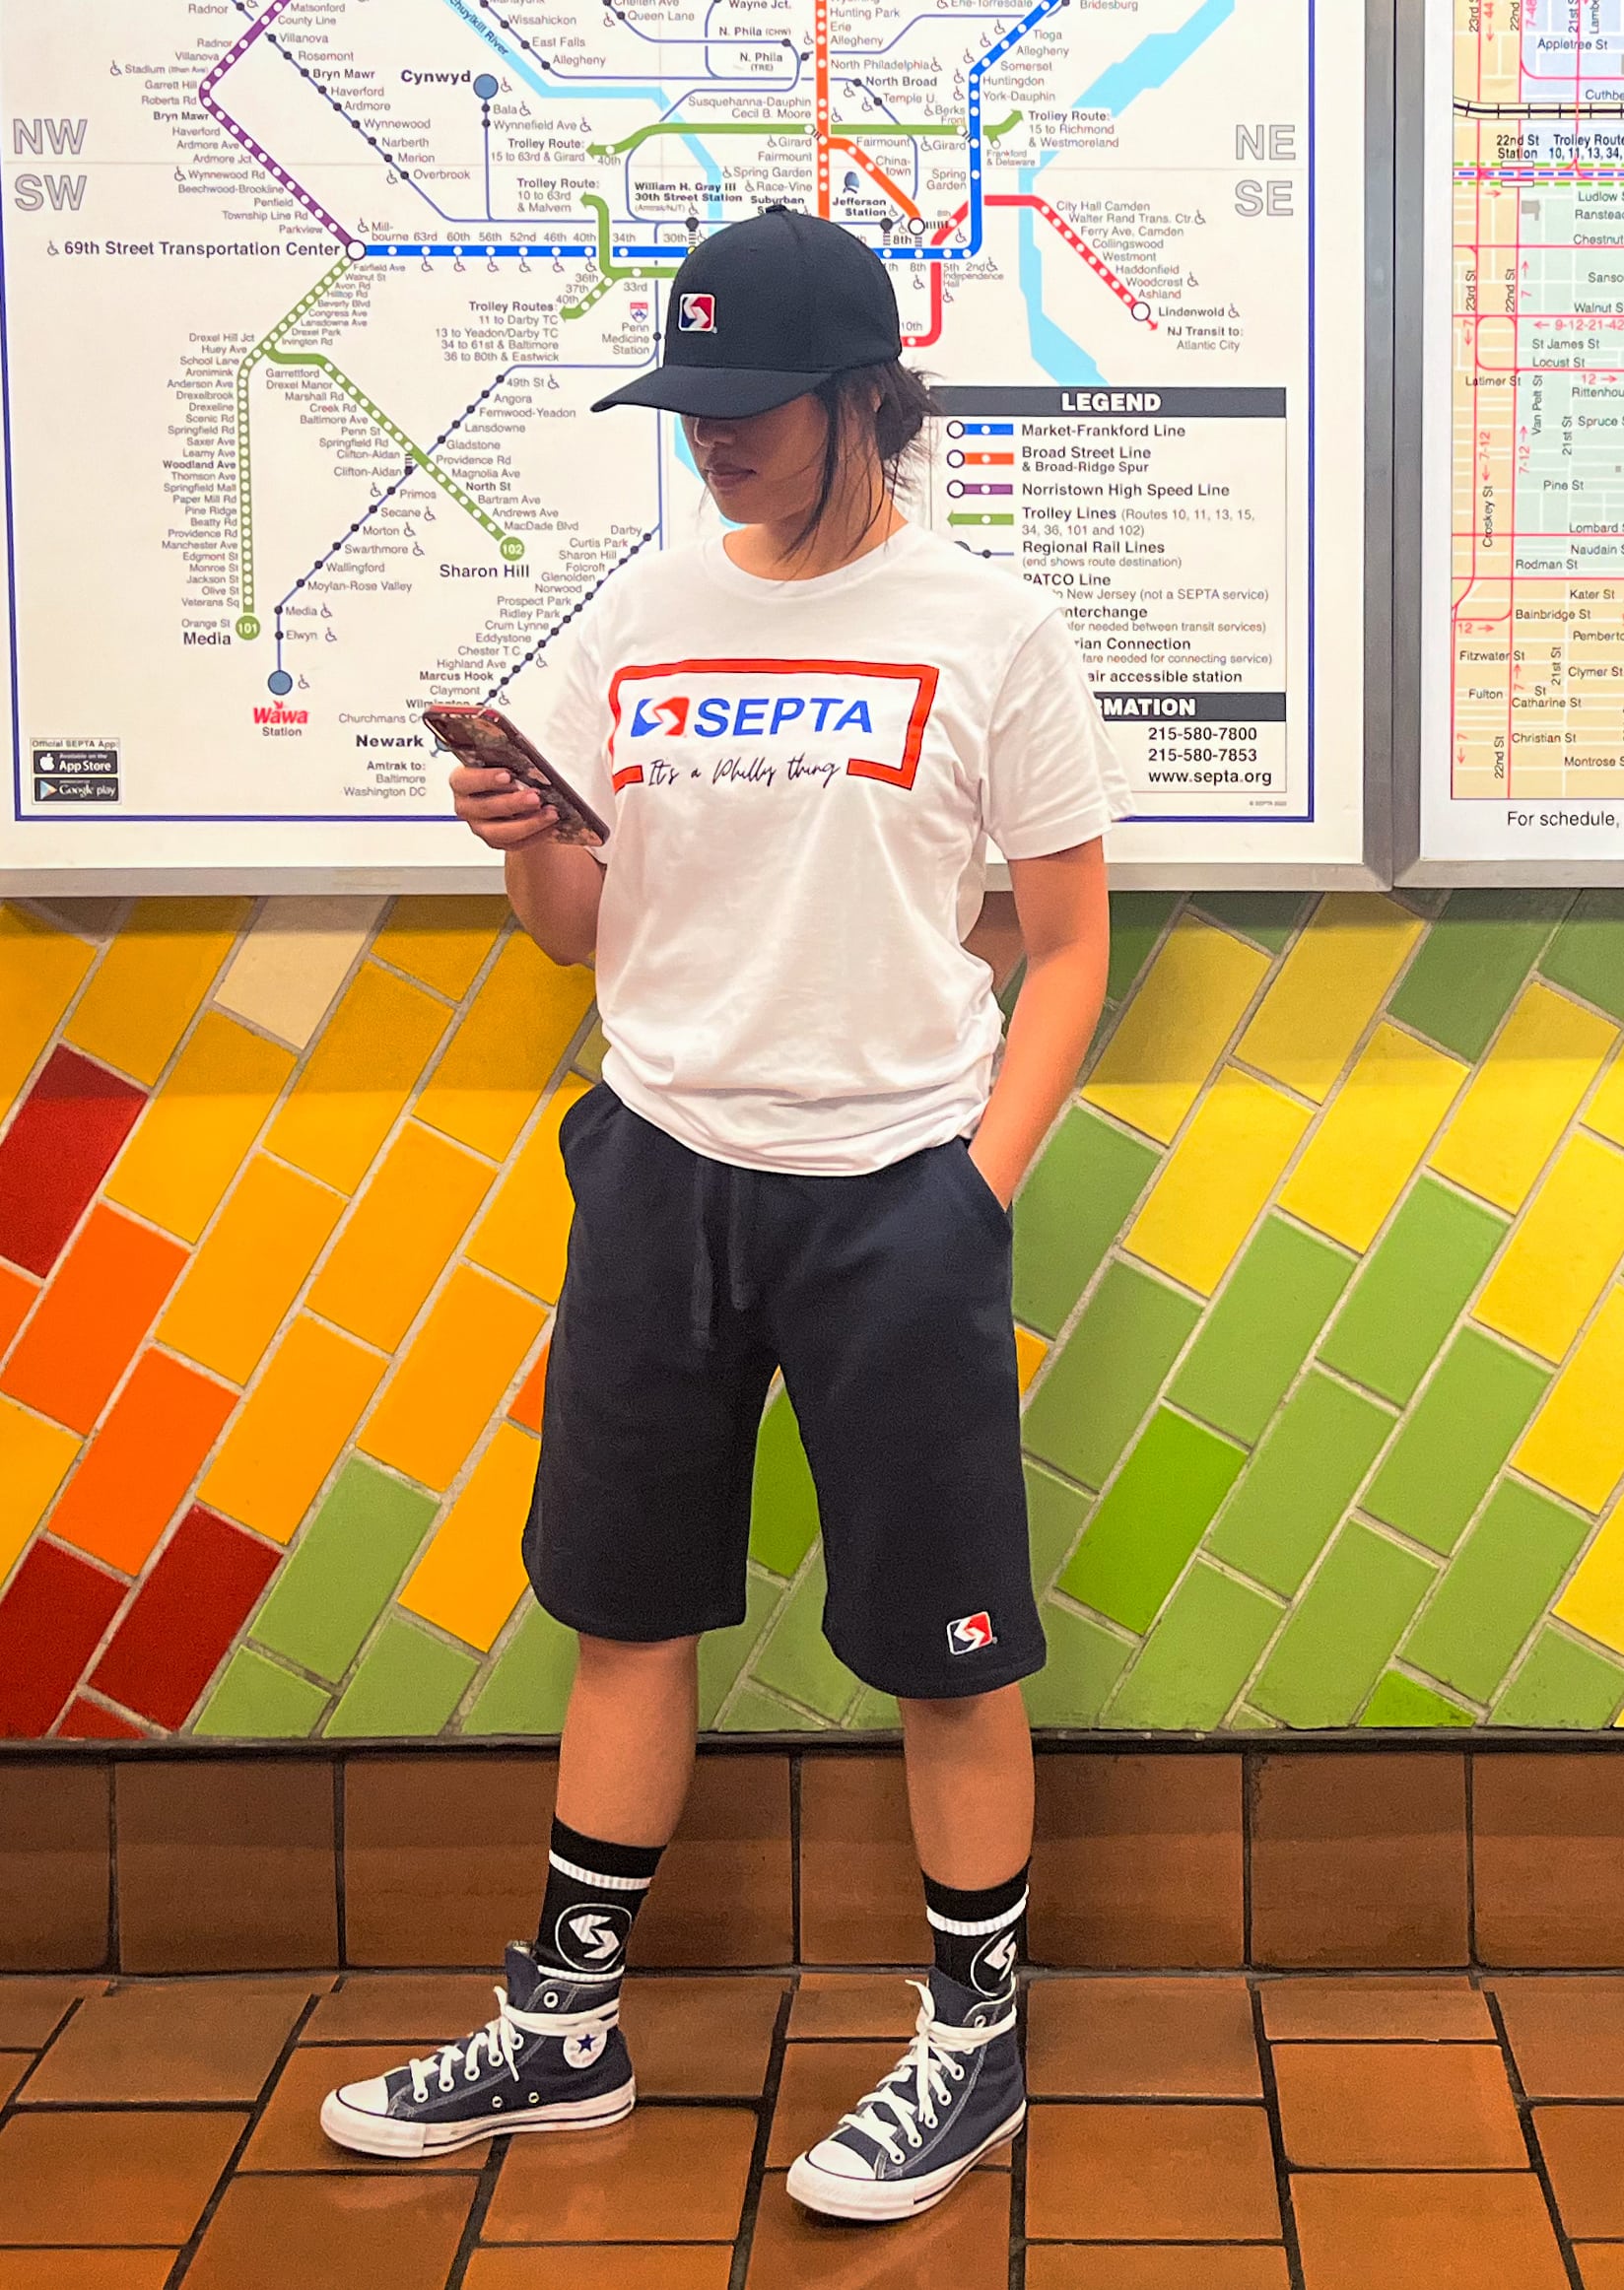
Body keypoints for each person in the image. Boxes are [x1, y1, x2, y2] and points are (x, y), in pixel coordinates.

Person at [319, 204, 1116, 2226]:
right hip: (662, 1162)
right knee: (624, 1605)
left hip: (890, 1195)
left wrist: (973, 1194)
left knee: (947, 1648)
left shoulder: (991, 630)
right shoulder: (644, 610)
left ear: (865, 396)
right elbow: (591, 920)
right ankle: (567, 2023)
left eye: (749, 405)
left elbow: (1080, 944)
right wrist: (522, 839)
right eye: (688, 405)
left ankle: (971, 2042)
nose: (714, 440)